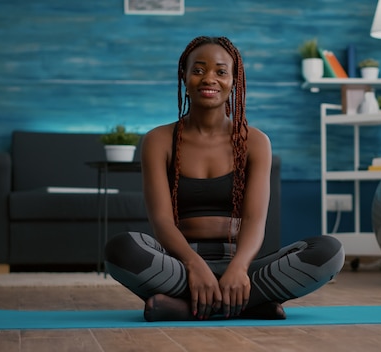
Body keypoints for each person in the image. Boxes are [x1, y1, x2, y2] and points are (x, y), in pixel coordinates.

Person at [104, 36, 345, 321]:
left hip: (240, 266)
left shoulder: (255, 142)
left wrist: (240, 267)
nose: (209, 79)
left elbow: (255, 220)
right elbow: (162, 223)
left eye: (220, 71)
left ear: (234, 80)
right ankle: (250, 305)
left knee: (329, 252)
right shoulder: (158, 141)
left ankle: (185, 308)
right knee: (120, 250)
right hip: (179, 265)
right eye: (198, 70)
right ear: (184, 76)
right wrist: (194, 265)